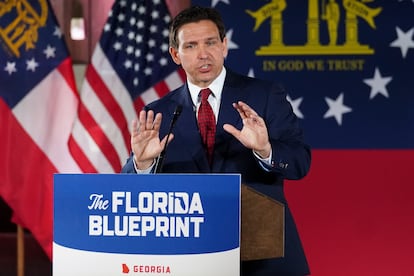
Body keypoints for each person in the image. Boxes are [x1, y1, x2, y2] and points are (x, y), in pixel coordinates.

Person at [121, 5, 311, 276]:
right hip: (192, 257)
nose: (203, 54)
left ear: (224, 46)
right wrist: (142, 163)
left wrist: (265, 149)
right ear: (176, 54)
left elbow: (300, 162)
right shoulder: (159, 112)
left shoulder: (265, 95)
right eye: (191, 46)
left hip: (263, 255)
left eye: (210, 42)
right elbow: (130, 191)